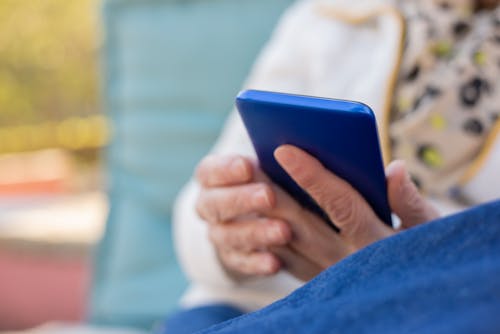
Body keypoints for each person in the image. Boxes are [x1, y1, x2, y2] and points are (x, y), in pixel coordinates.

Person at [169, 0, 500, 331]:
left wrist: (405, 263)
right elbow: (197, 210)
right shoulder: (326, 17)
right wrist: (229, 239)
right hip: (250, 303)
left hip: (446, 308)